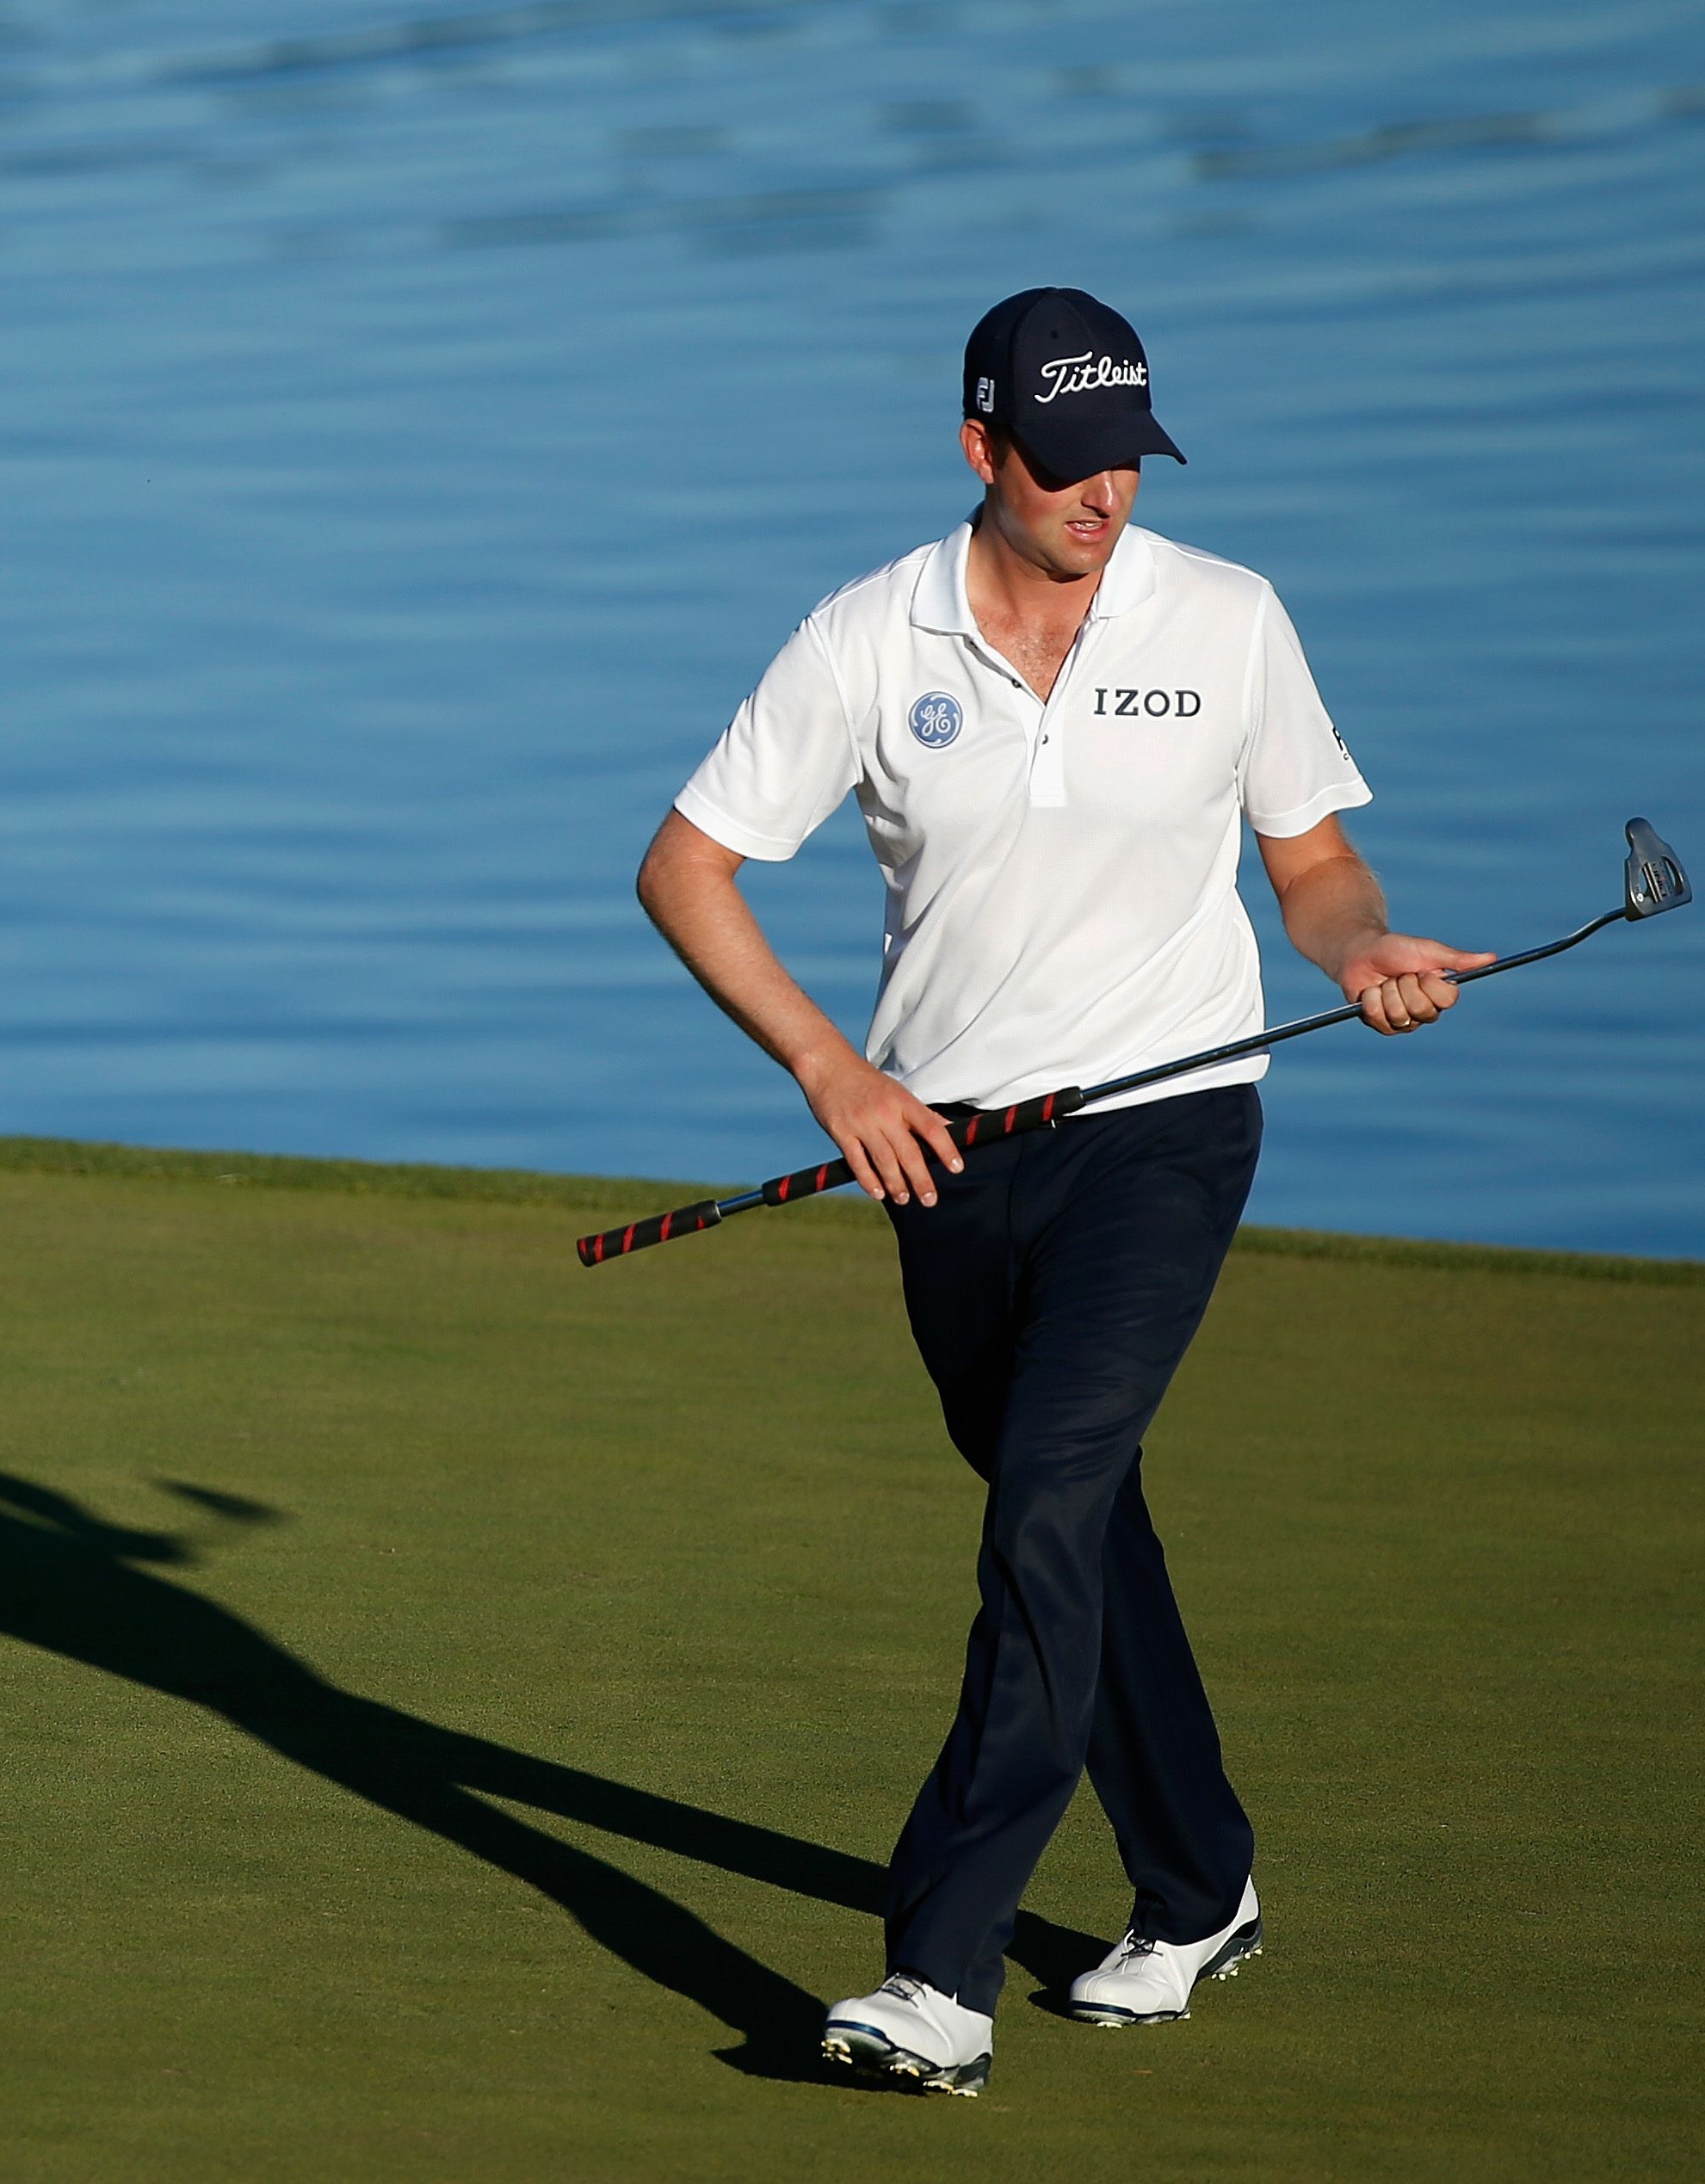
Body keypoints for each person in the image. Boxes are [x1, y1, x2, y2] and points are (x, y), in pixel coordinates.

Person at [636, 288, 1488, 2097]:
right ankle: (1199, 1884)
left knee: (1042, 1505)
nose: (1106, 493)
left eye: (1129, 457)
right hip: (943, 1155)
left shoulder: (1229, 616)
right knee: (1079, 1525)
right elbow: (689, 865)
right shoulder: (870, 637)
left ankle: (936, 1974)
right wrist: (831, 1072)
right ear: (981, 451)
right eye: (1068, 460)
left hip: (1169, 1127)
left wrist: (1357, 951)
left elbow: (1311, 858)